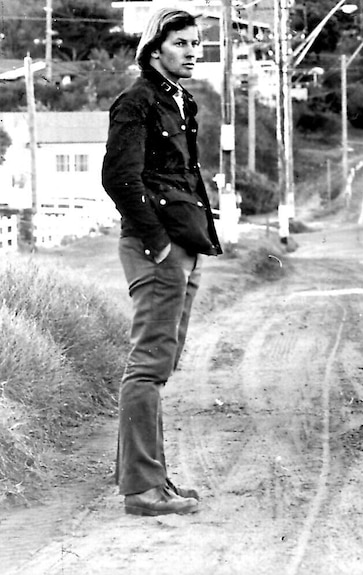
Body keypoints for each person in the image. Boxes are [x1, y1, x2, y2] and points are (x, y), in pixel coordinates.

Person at [102, 7, 221, 517]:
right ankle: (141, 490)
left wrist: (191, 246)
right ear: (155, 51)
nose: (193, 52)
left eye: (196, 44)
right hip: (159, 248)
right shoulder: (137, 101)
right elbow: (120, 178)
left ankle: (149, 479)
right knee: (149, 365)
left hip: (183, 246)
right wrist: (161, 246)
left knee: (162, 363)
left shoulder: (180, 101)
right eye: (182, 45)